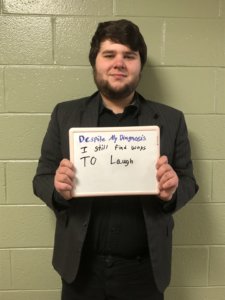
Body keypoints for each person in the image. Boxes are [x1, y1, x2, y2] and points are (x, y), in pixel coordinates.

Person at [33, 19, 198, 300]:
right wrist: (58, 189)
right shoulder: (65, 115)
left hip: (144, 271)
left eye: (129, 56)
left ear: (139, 65)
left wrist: (172, 191)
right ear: (95, 62)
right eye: (109, 55)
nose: (118, 63)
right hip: (80, 269)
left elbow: (188, 182)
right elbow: (42, 179)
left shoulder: (171, 120)